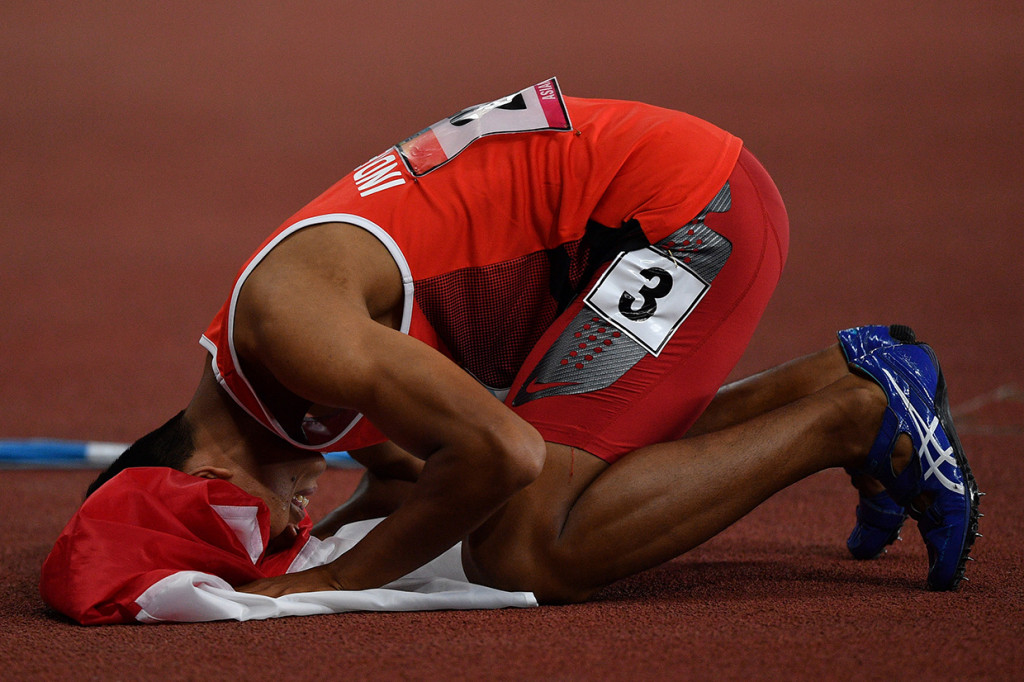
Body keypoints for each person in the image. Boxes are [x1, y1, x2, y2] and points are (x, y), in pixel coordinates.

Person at [55, 79, 980, 611]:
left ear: (208, 469)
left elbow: (501, 452)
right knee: (537, 476)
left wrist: (328, 586)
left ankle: (855, 418)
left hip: (682, 215)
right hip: (641, 206)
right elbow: (410, 467)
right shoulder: (279, 375)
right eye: (281, 537)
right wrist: (365, 512)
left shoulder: (289, 323)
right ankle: (839, 372)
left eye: (262, 520)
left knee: (527, 546)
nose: (293, 521)